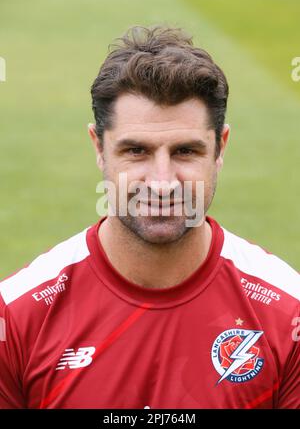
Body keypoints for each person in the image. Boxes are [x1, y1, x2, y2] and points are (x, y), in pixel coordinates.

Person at [0, 26, 299, 409]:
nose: (162, 182)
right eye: (137, 151)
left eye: (186, 151)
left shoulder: (288, 313)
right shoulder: (18, 315)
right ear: (99, 147)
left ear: (220, 148)